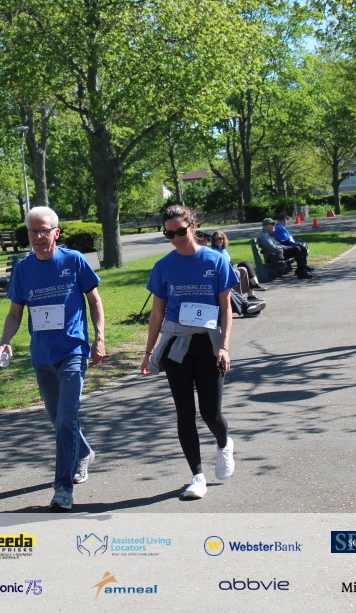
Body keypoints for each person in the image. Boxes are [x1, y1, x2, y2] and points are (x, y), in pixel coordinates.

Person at [0, 206, 105, 512]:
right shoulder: (23, 269)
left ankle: (63, 489)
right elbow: (15, 312)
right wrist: (5, 340)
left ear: (56, 232)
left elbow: (94, 301)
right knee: (58, 419)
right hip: (42, 355)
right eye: (33, 231)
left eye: (44, 230)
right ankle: (83, 452)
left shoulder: (74, 260)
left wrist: (99, 338)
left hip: (73, 350)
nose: (39, 237)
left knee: (67, 419)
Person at [140, 205, 237, 500]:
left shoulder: (215, 260)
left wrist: (224, 347)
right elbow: (156, 314)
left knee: (210, 413)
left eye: (180, 231)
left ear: (193, 226)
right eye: (169, 234)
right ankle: (197, 476)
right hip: (176, 347)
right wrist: (148, 353)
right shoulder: (163, 266)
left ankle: (224, 444)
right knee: (184, 412)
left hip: (208, 344)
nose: (176, 238)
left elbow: (226, 308)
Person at [210, 230, 266, 315]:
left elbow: (229, 262)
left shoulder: (223, 250)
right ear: (213, 241)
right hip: (223, 272)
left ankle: (251, 294)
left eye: (220, 238)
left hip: (229, 268)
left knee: (245, 266)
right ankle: (248, 304)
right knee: (237, 273)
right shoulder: (214, 251)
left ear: (223, 239)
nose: (218, 241)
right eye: (216, 239)